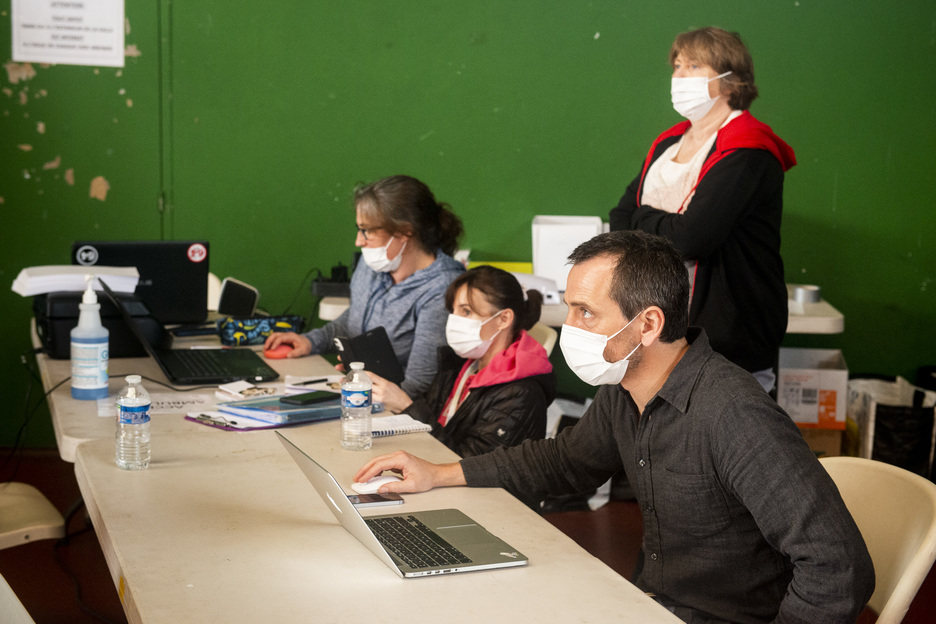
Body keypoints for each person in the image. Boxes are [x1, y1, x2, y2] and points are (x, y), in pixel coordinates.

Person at [355, 231, 874, 624]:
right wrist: (438, 474)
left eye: (585, 313)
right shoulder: (624, 390)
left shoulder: (733, 414)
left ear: (648, 324)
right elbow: (562, 461)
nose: (568, 328)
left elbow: (838, 567)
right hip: (646, 603)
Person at [608, 27, 796, 393]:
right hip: (658, 323)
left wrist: (643, 217)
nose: (679, 76)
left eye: (694, 66)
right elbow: (619, 216)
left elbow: (693, 237)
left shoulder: (748, 149)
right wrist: (658, 222)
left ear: (731, 81)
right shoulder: (668, 142)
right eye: (677, 66)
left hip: (727, 332)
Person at [265, 175, 465, 396]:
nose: (359, 241)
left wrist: (361, 392)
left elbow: (417, 386)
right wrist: (311, 341)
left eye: (367, 231)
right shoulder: (374, 265)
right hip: (363, 393)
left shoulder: (442, 289)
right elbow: (354, 321)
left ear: (405, 231)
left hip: (399, 412)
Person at [367, 265, 556, 458]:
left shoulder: (520, 395)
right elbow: (434, 420)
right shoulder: (460, 365)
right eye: (453, 311)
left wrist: (407, 407)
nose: (453, 320)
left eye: (466, 312)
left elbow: (470, 467)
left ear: (504, 319)